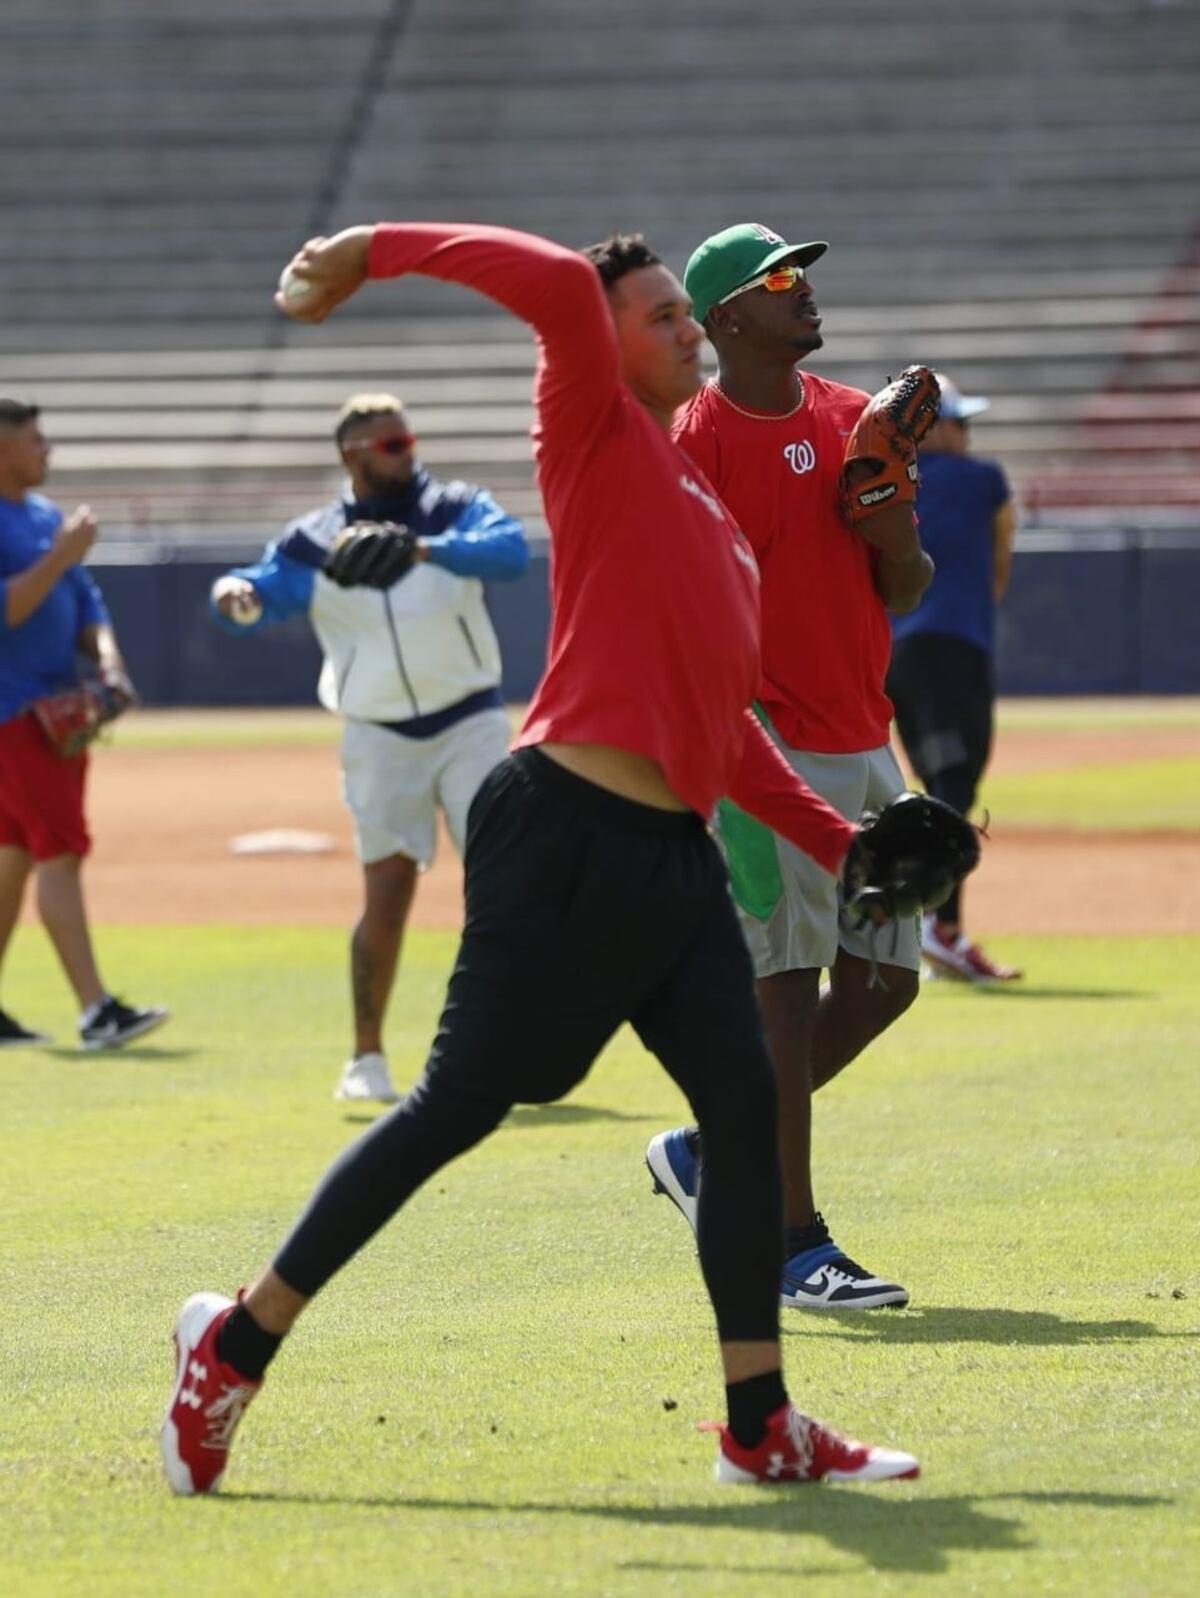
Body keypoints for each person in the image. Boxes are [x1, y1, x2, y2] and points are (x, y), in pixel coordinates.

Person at [160, 219, 922, 1496]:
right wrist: (363, 250)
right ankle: (230, 1346)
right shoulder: (597, 430)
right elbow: (563, 285)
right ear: (605, 343)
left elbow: (725, 732)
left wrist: (850, 847)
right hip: (561, 827)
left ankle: (759, 1422)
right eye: (663, 315)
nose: (682, 328)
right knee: (458, 1107)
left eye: (691, 313)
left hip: (669, 852)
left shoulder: (713, 522)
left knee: (742, 1112)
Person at [646, 224, 933, 1312]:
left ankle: (706, 1148)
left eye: (801, 271)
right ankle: (789, 1241)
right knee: (783, 988)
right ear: (725, 322)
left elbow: (903, 585)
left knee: (886, 981)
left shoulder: (851, 416)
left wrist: (896, 532)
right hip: (766, 747)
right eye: (776, 280)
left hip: (868, 734)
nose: (801, 289)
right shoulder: (694, 439)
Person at [211, 393, 529, 1102]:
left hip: (470, 718)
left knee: (499, 885)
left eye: (408, 438)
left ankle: (497, 1050)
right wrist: (234, 596)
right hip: (377, 731)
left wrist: (424, 547)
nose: (406, 451)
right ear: (353, 456)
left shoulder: (452, 507)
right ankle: (366, 1058)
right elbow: (258, 593)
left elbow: (509, 553)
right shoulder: (314, 537)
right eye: (389, 444)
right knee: (387, 890)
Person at [0, 400, 169, 1050]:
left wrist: (109, 666)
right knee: (59, 854)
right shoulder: (51, 530)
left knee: (13, 857)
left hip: (50, 708)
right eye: (35, 441)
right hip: (16, 715)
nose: (47, 451)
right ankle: (96, 1010)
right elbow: (8, 609)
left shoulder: (45, 517)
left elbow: (87, 606)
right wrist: (63, 552)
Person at [887, 373, 1021, 983]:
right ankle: (934, 925)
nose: (967, 435)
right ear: (932, 426)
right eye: (960, 422)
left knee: (936, 782)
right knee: (953, 786)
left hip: (895, 654)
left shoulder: (886, 478)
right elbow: (1000, 561)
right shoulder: (983, 479)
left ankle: (930, 922)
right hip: (953, 649)